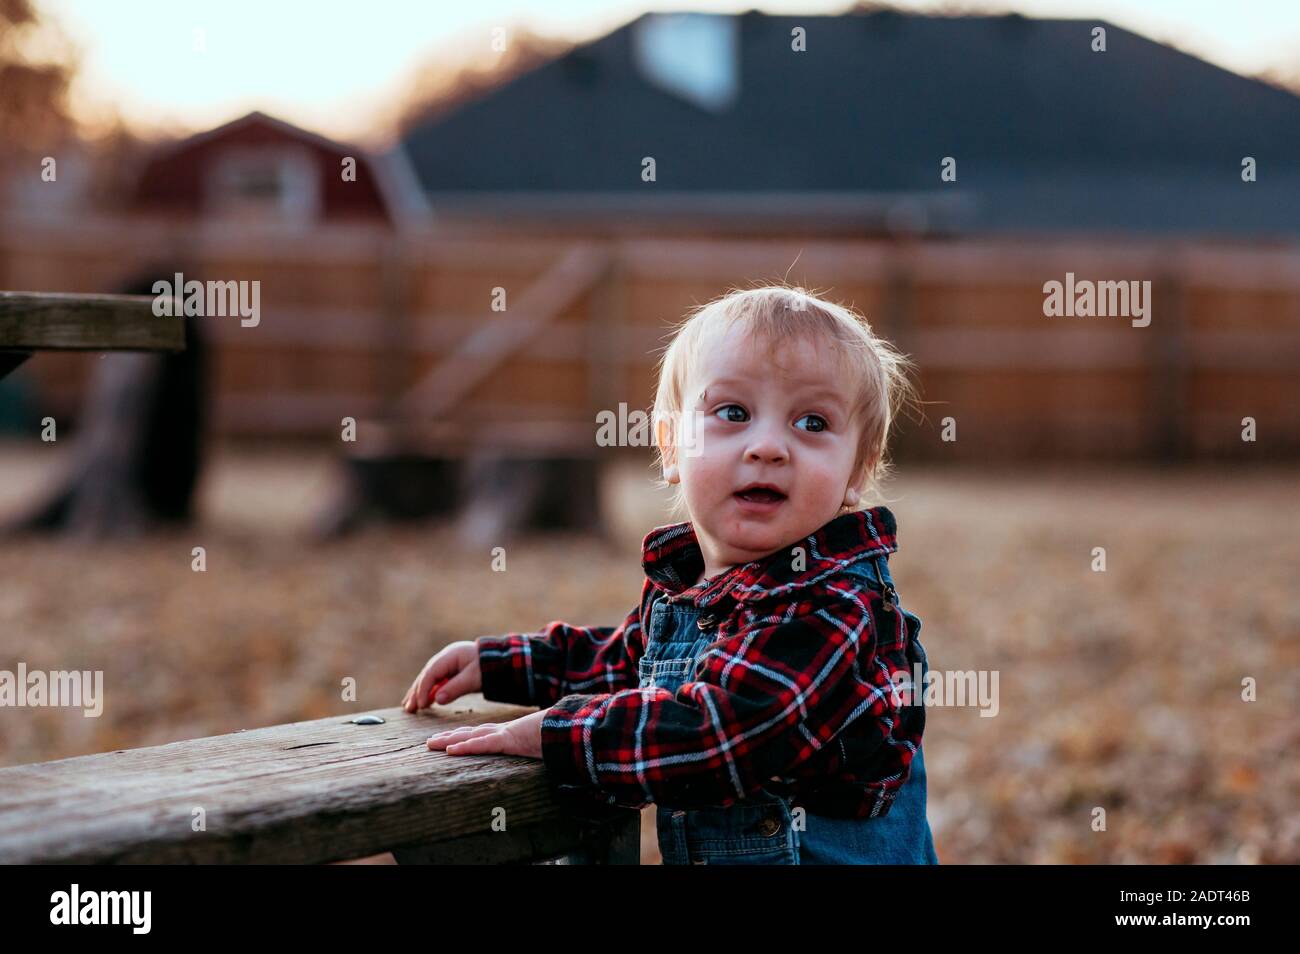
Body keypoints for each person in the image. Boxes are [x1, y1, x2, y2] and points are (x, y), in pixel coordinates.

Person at [403, 284, 937, 864]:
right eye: (732, 413)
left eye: (812, 423)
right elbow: (623, 662)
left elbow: (716, 734)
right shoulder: (691, 586)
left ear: (856, 471)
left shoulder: (834, 607)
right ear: (670, 447)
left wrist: (558, 734)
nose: (768, 446)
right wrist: (502, 664)